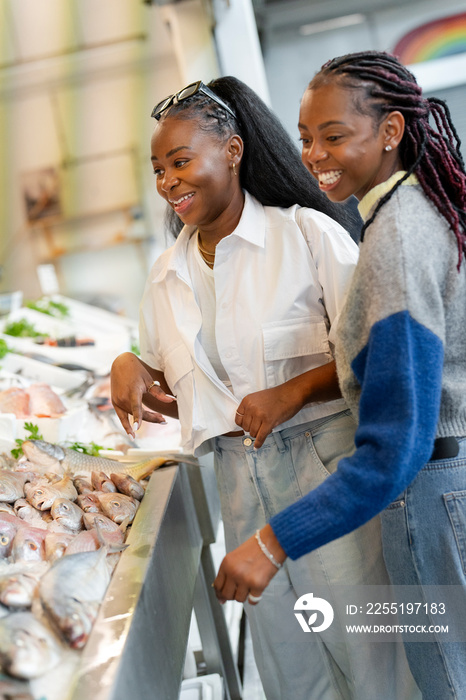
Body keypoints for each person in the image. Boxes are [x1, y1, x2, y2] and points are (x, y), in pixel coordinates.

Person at [111, 75, 419, 700]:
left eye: (180, 161)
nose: (168, 181)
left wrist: (296, 390)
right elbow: (167, 366)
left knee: (375, 662)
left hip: (327, 473)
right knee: (294, 673)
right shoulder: (167, 273)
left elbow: (385, 355)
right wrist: (130, 364)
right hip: (236, 483)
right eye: (158, 169)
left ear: (232, 150)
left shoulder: (306, 234)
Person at [213, 51, 466, 699]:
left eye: (334, 136)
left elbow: (395, 446)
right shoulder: (411, 210)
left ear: (390, 133)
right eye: (304, 138)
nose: (313, 154)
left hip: (430, 498)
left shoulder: (396, 238)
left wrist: (271, 542)